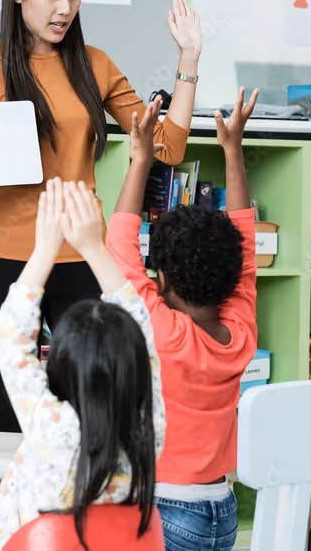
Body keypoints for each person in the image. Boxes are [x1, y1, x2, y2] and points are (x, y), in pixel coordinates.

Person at [0, 0, 201, 434]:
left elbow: (169, 147)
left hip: (81, 255)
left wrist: (188, 60)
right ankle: (27, 516)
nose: (65, 9)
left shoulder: (93, 65)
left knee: (98, 405)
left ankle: (88, 511)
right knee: (15, 413)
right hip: (7, 257)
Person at [0, 178, 165, 551]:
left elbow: (9, 333)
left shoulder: (50, 425)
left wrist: (44, 247)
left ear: (59, 364)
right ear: (138, 365)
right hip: (108, 541)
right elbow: (142, 327)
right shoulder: (149, 426)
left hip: (32, 542)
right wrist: (92, 247)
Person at [104, 87, 260, 551]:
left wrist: (140, 159)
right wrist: (233, 149)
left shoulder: (164, 334)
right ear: (230, 276)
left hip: (166, 511)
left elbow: (119, 250)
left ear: (165, 275)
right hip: (222, 510)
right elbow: (247, 247)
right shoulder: (240, 333)